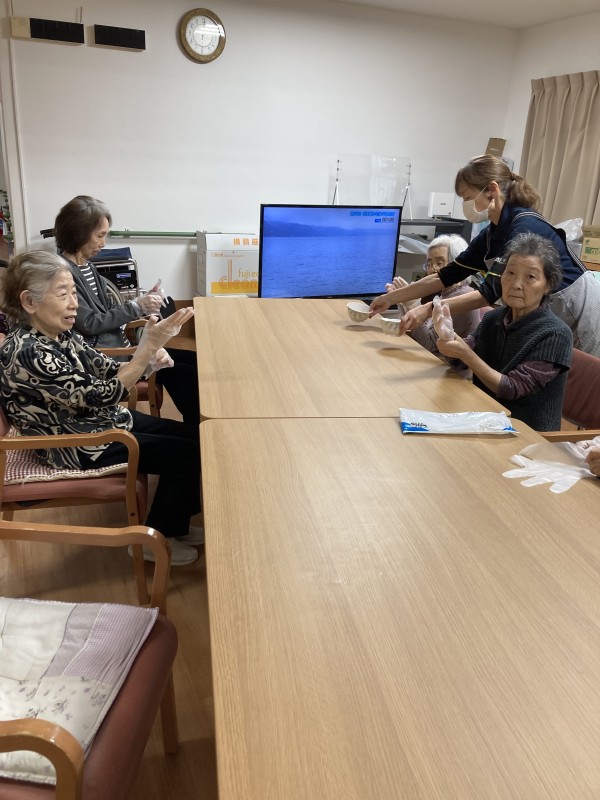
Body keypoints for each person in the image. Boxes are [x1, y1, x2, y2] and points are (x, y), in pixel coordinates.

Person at [0, 250, 202, 566]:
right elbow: (102, 395)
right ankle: (155, 539)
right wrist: (146, 349)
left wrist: (149, 358)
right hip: (74, 444)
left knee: (196, 437)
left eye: (74, 293)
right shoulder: (29, 352)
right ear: (29, 302)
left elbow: (104, 368)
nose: (74, 303)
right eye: (63, 294)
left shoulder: (58, 334)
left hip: (97, 422)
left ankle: (174, 524)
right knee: (185, 454)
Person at [370, 154, 600, 357]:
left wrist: (428, 308)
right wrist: (391, 298)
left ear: (491, 189)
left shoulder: (523, 227)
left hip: (575, 308)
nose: (465, 205)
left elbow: (487, 294)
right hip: (545, 312)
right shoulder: (492, 233)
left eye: (468, 197)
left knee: (583, 376)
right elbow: (445, 276)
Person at [54, 195, 200, 426]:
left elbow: (110, 310)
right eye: (100, 235)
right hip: (106, 355)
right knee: (183, 373)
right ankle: (197, 427)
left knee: (193, 361)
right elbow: (90, 324)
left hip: (120, 345)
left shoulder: (87, 266)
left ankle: (197, 424)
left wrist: (142, 304)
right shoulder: (64, 275)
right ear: (78, 233)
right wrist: (137, 307)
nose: (103, 243)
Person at [435, 233, 572, 432]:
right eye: (510, 273)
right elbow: (460, 359)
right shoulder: (494, 318)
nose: (516, 284)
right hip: (484, 419)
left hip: (527, 433)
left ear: (548, 285)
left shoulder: (555, 334)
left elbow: (511, 388)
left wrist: (465, 353)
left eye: (530, 277)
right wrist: (447, 335)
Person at [384, 234, 480, 355]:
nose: (432, 270)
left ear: (459, 265)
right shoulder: (445, 292)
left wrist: (411, 304)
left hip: (446, 365)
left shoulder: (462, 298)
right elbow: (415, 329)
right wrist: (403, 300)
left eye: (439, 263)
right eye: (429, 264)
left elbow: (429, 345)